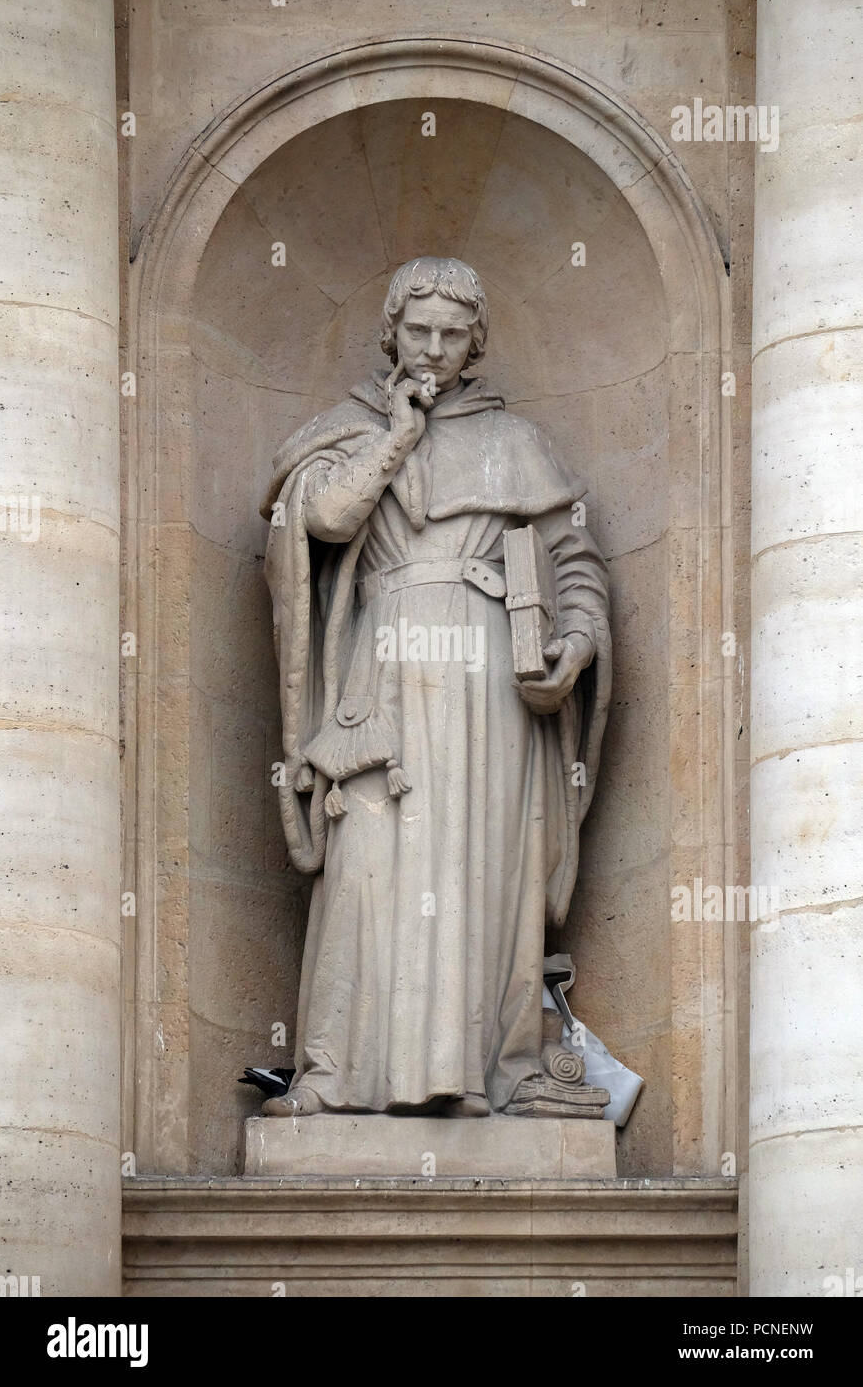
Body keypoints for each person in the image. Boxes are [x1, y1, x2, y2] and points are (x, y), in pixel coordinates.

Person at [261, 257, 611, 1116]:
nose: (434, 348)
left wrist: (573, 643)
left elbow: (575, 559)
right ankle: (336, 1073)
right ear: (391, 333)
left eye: (453, 335)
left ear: (475, 343)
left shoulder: (515, 442)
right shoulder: (346, 431)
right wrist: (397, 436)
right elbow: (323, 520)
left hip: (492, 678)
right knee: (366, 865)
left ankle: (484, 1072)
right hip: (381, 673)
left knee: (484, 868)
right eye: (418, 331)